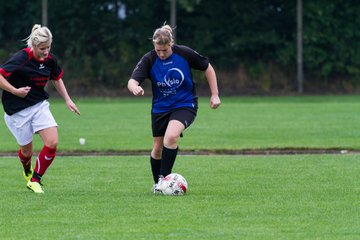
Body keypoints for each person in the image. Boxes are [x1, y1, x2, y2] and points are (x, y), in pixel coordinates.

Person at [128, 24, 221, 193]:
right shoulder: (149, 59)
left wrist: (215, 94)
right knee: (157, 149)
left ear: (171, 44)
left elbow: (207, 67)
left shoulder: (184, 53)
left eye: (165, 50)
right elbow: (132, 80)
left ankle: (165, 181)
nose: (161, 54)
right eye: (158, 51)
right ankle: (158, 183)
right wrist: (134, 87)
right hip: (160, 108)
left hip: (185, 104)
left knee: (171, 137)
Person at [0, 24, 80, 193]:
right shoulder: (21, 58)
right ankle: (27, 168)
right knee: (26, 152)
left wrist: (68, 99)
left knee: (52, 142)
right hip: (17, 111)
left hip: (38, 105)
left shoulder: (50, 59)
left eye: (48, 47)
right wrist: (15, 91)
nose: (46, 52)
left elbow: (57, 78)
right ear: (34, 46)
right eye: (42, 48)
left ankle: (35, 179)